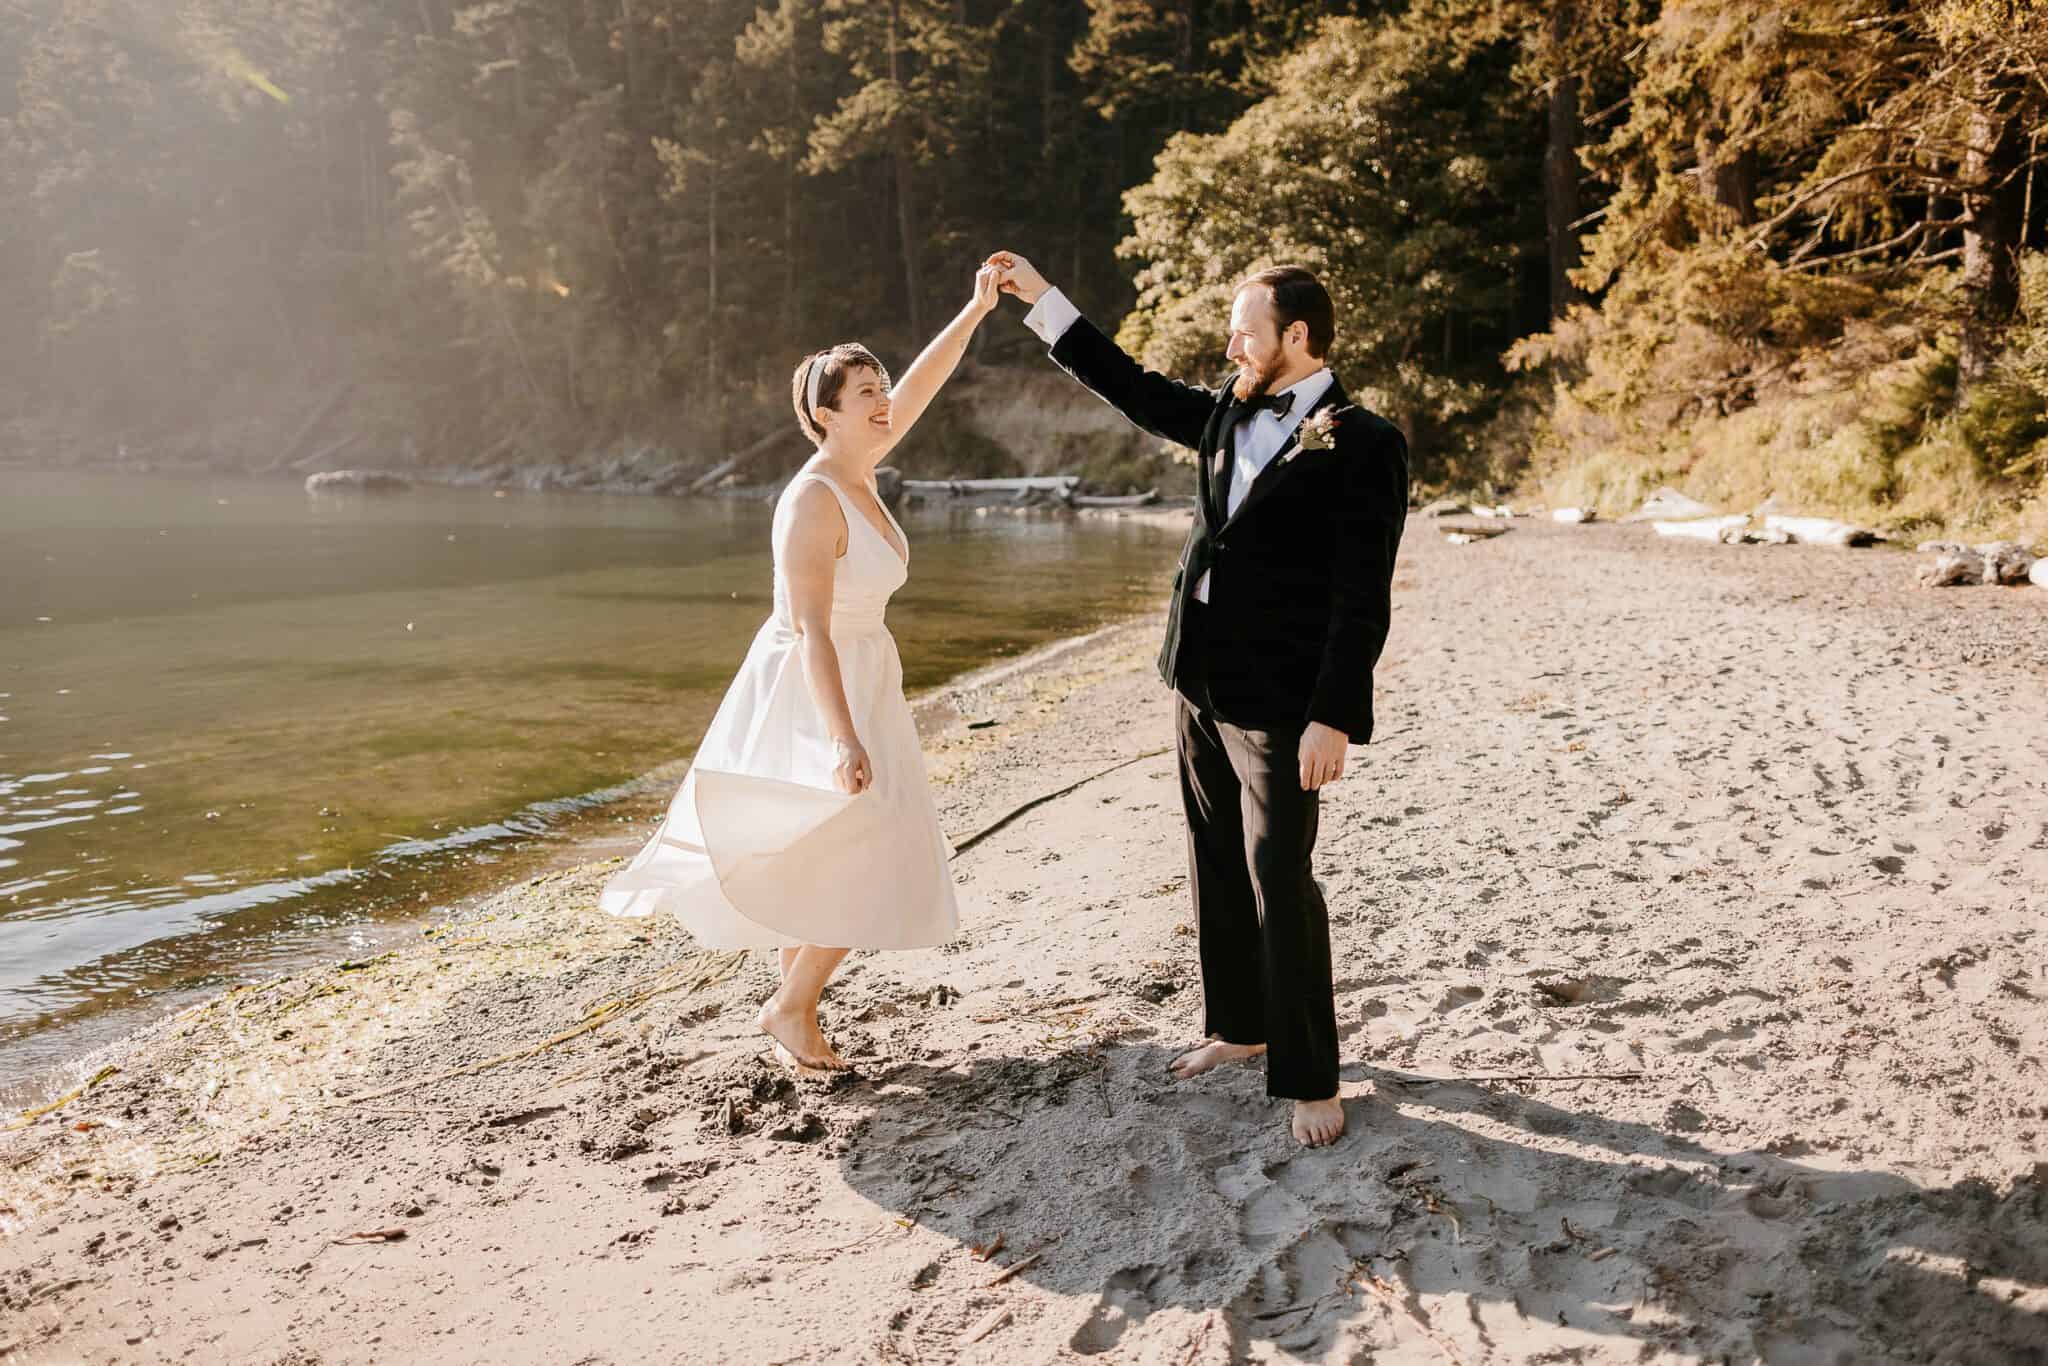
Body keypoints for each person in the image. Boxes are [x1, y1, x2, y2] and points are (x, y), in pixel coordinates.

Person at [987, 251, 1409, 1147]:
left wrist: (1333, 715)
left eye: (1245, 329)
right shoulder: (1224, 410)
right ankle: (1242, 1027)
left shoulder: (1364, 442)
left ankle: (1311, 1075)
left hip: (1284, 699)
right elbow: (1134, 387)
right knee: (1213, 854)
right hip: (1198, 679)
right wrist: (1044, 301)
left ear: (1296, 336)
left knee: (1278, 876)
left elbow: (1360, 593)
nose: (1231, 343)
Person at [600, 263, 1008, 1071]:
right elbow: (812, 630)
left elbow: (928, 377)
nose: (884, 397)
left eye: (880, 384)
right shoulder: (813, 498)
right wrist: (841, 737)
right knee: (872, 840)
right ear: (827, 414)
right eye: (865, 392)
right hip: (814, 687)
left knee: (835, 846)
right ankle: (790, 1007)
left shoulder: (867, 465)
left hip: (867, 674)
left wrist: (976, 308)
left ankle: (796, 1011)